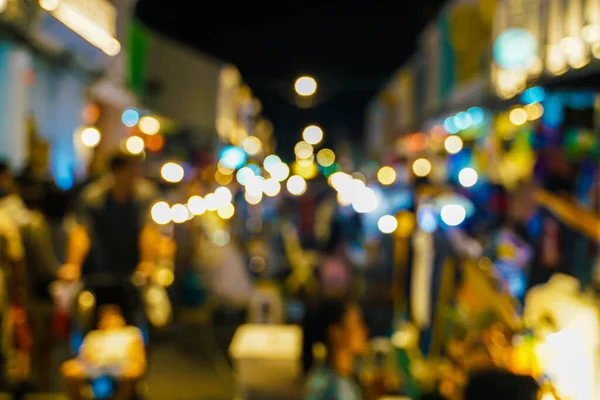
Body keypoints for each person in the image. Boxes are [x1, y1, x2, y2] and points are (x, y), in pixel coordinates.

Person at [58, 151, 160, 325]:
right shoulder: (93, 197)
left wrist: (148, 262)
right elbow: (82, 233)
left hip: (133, 274)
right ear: (114, 172)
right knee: (89, 319)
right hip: (99, 272)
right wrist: (72, 265)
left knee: (138, 319)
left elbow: (148, 231)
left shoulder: (144, 196)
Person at [61, 305, 146, 400]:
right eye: (107, 318)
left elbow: (137, 355)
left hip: (121, 366)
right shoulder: (94, 335)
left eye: (114, 317)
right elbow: (84, 357)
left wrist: (135, 364)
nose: (110, 320)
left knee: (133, 372)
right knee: (69, 369)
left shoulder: (131, 333)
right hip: (96, 366)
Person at [305, 298, 368, 400]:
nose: (364, 330)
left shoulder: (346, 378)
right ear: (335, 333)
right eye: (357, 323)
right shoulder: (325, 385)